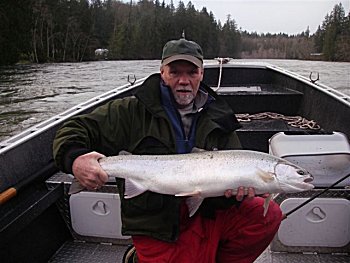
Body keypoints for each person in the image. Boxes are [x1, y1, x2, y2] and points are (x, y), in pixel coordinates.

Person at [53, 38, 282, 263]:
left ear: (202, 74)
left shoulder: (219, 117)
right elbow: (74, 128)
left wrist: (233, 197)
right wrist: (75, 160)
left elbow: (226, 191)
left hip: (205, 211)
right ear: (162, 72)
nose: (184, 80)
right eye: (175, 72)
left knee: (268, 215)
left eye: (191, 73)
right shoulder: (131, 111)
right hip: (157, 221)